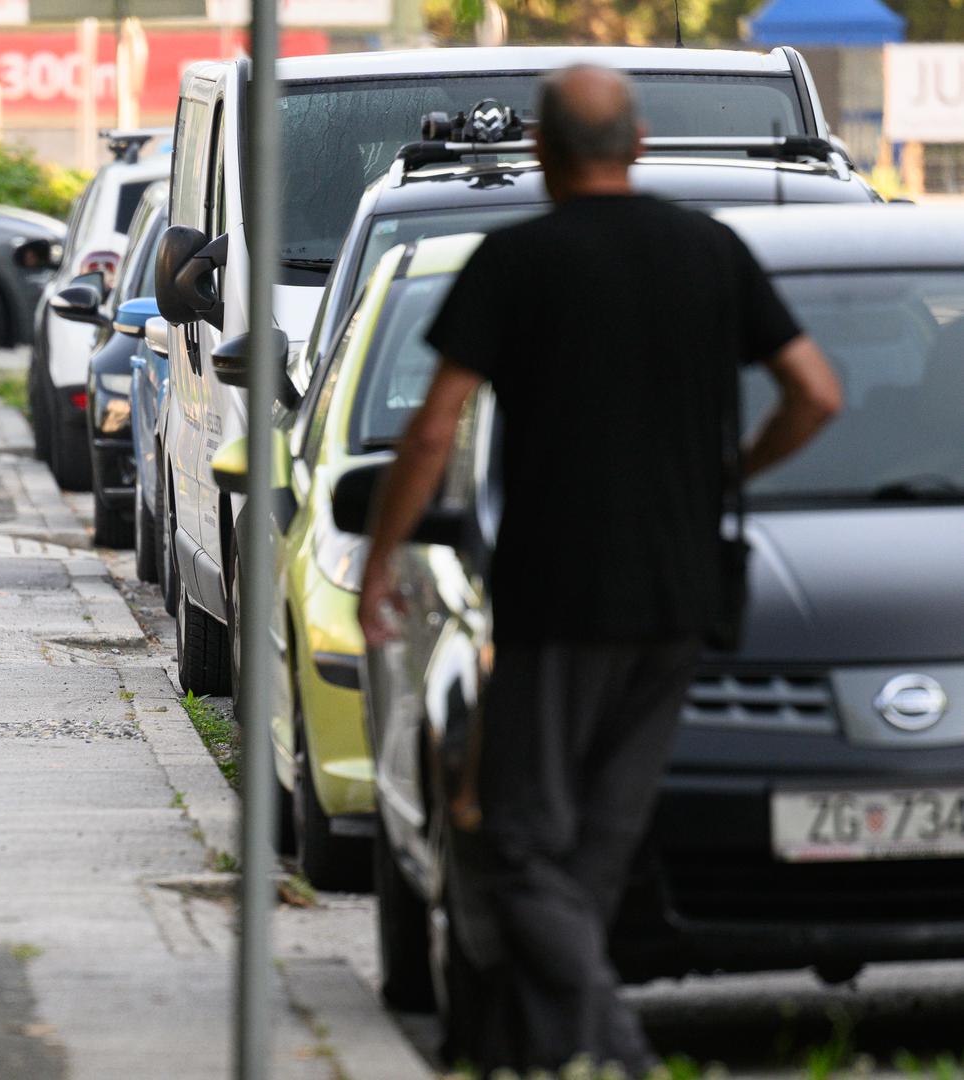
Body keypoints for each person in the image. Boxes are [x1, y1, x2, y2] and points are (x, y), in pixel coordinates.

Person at [355, 65, 842, 1073]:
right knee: (592, 851)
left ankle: (610, 1052)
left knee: (518, 845)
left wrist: (377, 567)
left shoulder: (516, 261)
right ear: (637, 141)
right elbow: (814, 394)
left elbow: (434, 426)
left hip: (555, 596)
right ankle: (537, 1050)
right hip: (677, 599)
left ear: (540, 149)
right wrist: (725, 473)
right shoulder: (708, 251)